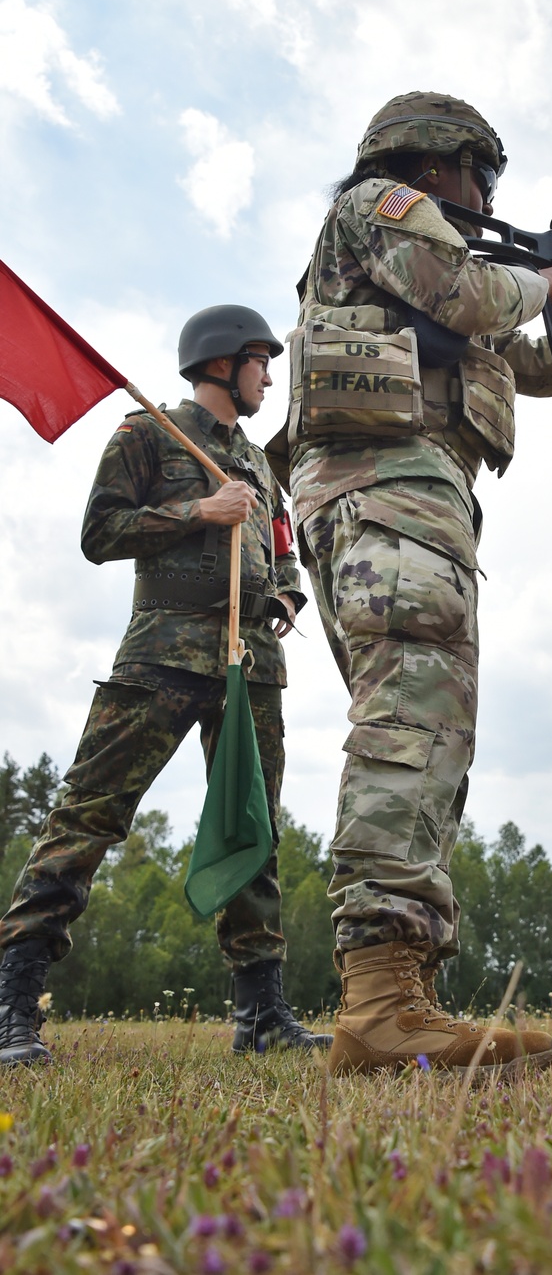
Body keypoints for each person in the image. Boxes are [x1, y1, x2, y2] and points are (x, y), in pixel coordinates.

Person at [284, 92, 552, 1075]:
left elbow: (520, 359)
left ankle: (401, 994)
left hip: (406, 500)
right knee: (412, 723)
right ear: (436, 163)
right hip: (387, 491)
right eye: (479, 174)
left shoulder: (439, 269)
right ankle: (381, 1005)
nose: (485, 195)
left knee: (429, 727)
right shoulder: (383, 210)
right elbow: (482, 296)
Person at [0, 306, 331, 1065]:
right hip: (162, 653)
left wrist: (284, 595)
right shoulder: (146, 433)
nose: (269, 377)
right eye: (260, 361)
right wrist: (197, 511)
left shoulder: (260, 463)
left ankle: (261, 1016)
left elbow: (283, 549)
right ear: (222, 362)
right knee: (88, 817)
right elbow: (99, 533)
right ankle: (13, 1009)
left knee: (255, 827)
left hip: (250, 667)